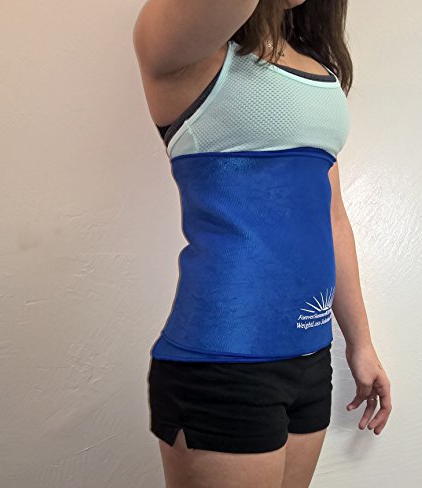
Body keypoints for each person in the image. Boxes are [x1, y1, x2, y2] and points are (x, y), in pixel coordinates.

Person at [133, 0, 392, 486]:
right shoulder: (181, 49)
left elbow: (332, 218)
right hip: (223, 363)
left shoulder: (316, 68)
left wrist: (361, 342)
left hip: (310, 358)